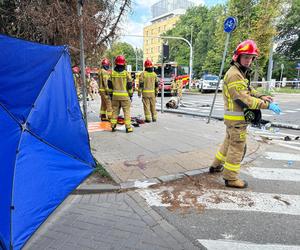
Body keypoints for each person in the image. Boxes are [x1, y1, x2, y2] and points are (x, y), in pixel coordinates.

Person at [209, 39, 282, 188]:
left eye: (251, 57)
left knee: (228, 143)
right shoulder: (235, 74)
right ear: (238, 57)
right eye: (246, 57)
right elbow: (244, 99)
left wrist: (261, 96)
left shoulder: (239, 73)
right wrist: (267, 105)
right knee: (237, 147)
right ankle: (231, 178)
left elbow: (248, 89)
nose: (249, 60)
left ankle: (216, 165)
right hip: (237, 120)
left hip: (233, 119)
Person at [108, 55, 133, 133]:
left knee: (115, 111)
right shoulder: (126, 73)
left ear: (116, 63)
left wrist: (111, 94)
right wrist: (131, 94)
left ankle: (113, 126)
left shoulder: (112, 73)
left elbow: (109, 84)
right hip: (125, 97)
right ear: (124, 63)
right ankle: (128, 128)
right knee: (126, 112)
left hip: (115, 97)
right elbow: (129, 85)